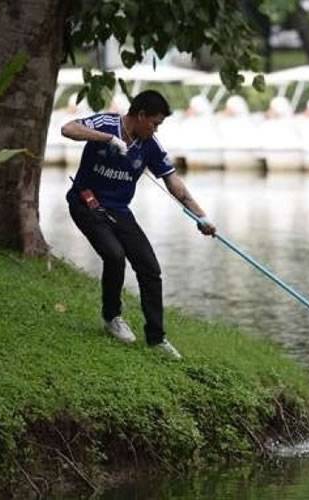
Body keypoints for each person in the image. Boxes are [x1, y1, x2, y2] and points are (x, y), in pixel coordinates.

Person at [61, 90, 216, 359]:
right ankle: (112, 318)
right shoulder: (108, 124)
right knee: (114, 255)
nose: (155, 130)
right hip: (86, 203)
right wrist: (108, 139)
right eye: (154, 123)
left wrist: (201, 217)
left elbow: (174, 184)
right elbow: (68, 128)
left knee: (150, 268)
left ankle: (157, 339)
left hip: (119, 210)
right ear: (141, 115)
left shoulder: (150, 146)